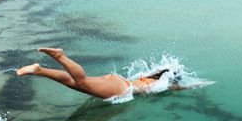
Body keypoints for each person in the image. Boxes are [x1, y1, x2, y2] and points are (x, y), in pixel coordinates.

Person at [17, 47, 169, 99]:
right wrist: (191, 85)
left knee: (73, 82)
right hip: (121, 90)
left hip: (118, 81)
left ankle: (40, 70)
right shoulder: (161, 84)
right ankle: (59, 56)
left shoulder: (149, 77)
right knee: (83, 82)